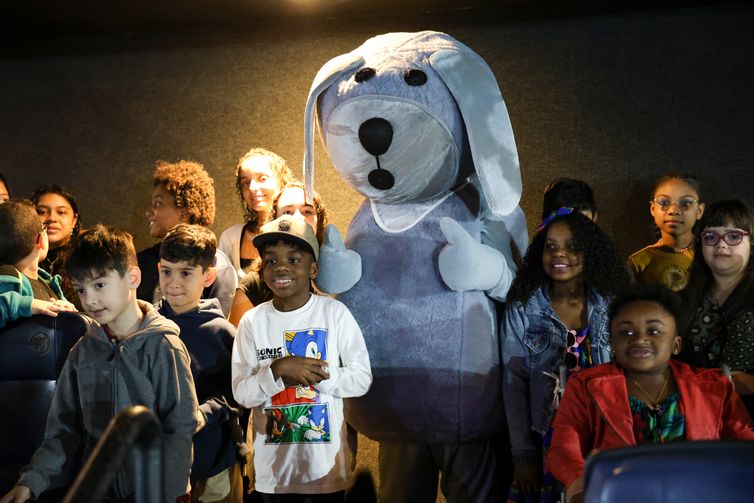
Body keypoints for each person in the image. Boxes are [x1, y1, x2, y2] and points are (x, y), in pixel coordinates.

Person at [0, 225, 199, 503]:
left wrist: (167, 494)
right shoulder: (82, 351)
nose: (89, 299)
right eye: (81, 289)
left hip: (152, 492)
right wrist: (31, 482)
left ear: (132, 277)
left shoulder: (163, 346)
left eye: (99, 285)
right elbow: (63, 431)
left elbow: (180, 430)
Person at [548, 284, 754, 503]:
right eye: (626, 332)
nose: (639, 339)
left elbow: (743, 445)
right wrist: (581, 485)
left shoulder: (714, 386)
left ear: (676, 343)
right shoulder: (585, 386)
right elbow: (564, 448)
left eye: (653, 331)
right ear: (612, 343)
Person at [231, 215, 372, 501]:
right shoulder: (251, 322)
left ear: (313, 268)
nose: (281, 267)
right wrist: (278, 370)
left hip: (324, 472)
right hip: (270, 472)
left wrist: (321, 374)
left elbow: (361, 379)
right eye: (271, 260)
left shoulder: (334, 314)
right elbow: (242, 393)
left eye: (294, 259)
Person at [503, 209, 629, 502]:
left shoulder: (612, 304)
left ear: (590, 252)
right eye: (551, 245)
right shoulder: (523, 307)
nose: (559, 254)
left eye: (572, 246)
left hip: (603, 435)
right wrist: (523, 456)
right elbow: (513, 384)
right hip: (545, 437)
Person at [156, 224, 243, 503]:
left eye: (186, 273)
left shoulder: (222, 332)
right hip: (161, 462)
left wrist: (205, 412)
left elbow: (238, 394)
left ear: (208, 277)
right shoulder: (146, 325)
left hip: (212, 460)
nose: (173, 282)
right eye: (166, 271)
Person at [678, 199, 754, 417]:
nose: (721, 245)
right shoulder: (680, 301)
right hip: (695, 417)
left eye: (733, 236)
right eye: (711, 237)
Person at [138, 159, 237, 316]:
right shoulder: (143, 261)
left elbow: (218, 323)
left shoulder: (218, 264)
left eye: (158, 204)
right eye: (166, 271)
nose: (149, 212)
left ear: (184, 210)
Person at [228, 181, 329, 327]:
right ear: (275, 218)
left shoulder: (334, 277)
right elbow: (235, 345)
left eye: (307, 211)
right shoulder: (255, 284)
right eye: (287, 212)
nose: (297, 218)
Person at [219, 148, 294, 281]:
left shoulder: (296, 232)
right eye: (245, 183)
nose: (252, 187)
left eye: (262, 178)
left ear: (281, 181)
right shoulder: (230, 238)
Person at [0, 199, 76, 328]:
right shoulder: (8, 278)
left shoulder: (46, 280)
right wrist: (28, 304)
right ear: (40, 239)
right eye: (44, 228)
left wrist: (69, 310)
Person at [628, 173, 705, 291]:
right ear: (653, 209)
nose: (673, 210)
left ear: (699, 210)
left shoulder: (709, 254)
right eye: (664, 202)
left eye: (685, 203)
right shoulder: (639, 262)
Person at [31, 184, 82, 308]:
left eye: (61, 212)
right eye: (42, 212)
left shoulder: (86, 255)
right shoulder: (19, 257)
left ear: (74, 220)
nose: (52, 218)